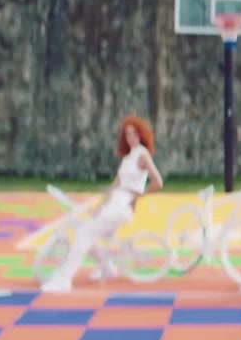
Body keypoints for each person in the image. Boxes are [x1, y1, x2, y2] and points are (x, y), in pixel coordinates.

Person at [41, 115, 163, 293]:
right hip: (114, 204)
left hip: (122, 206)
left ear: (142, 135)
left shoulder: (142, 154)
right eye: (127, 134)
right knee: (80, 226)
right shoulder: (128, 157)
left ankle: (64, 279)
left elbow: (158, 182)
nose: (131, 137)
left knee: (84, 233)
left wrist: (137, 197)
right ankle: (107, 266)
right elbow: (115, 185)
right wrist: (99, 205)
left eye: (135, 133)